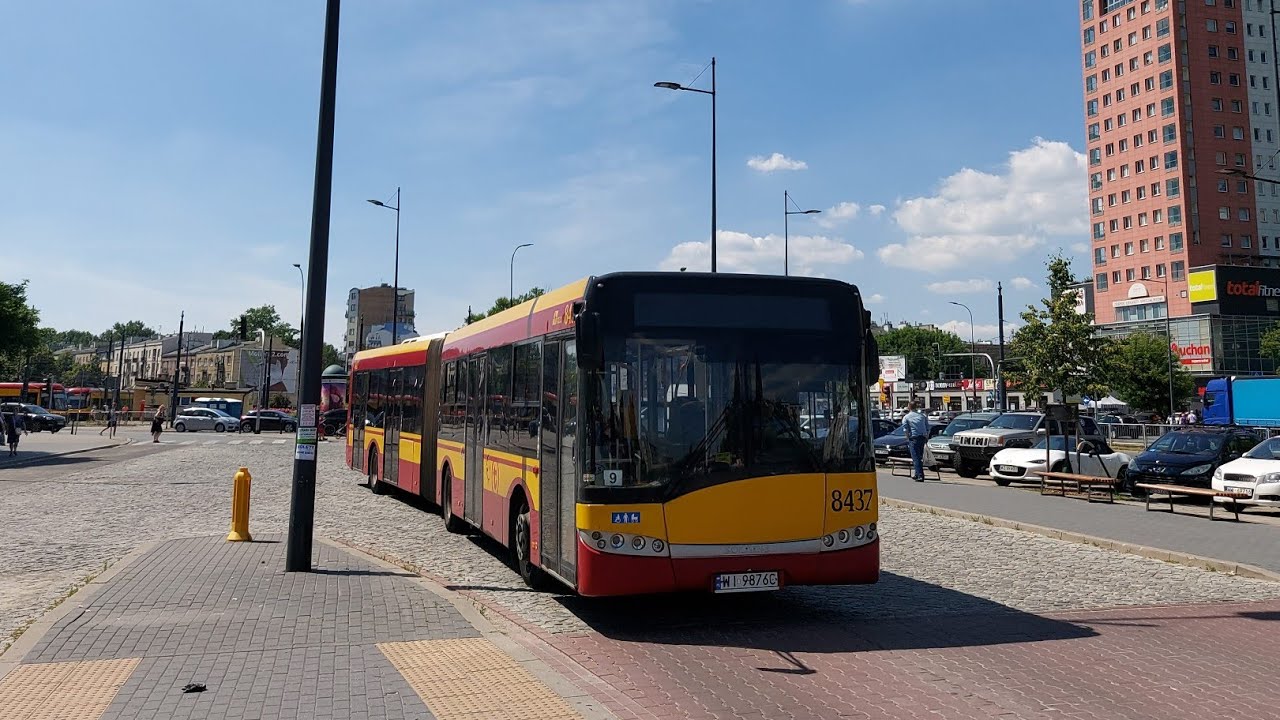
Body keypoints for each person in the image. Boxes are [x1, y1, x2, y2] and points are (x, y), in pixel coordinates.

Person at [900, 400, 930, 482]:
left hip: (914, 438)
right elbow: (927, 427)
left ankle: (920, 475)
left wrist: (907, 438)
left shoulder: (906, 417)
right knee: (919, 456)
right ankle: (917, 473)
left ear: (909, 407)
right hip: (922, 437)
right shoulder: (922, 416)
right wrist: (926, 437)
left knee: (916, 457)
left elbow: (905, 429)